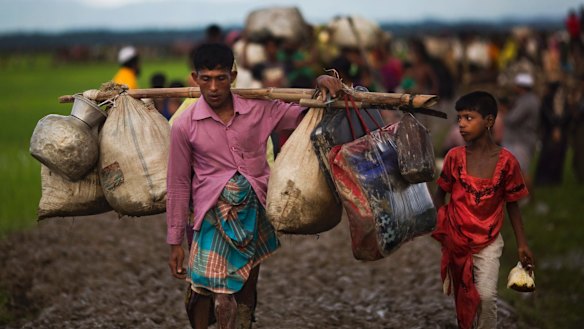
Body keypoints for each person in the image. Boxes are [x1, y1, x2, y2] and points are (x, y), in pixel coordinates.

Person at [166, 43, 342, 329]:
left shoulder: (259, 109)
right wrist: (174, 241)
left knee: (245, 285)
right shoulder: (184, 125)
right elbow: (177, 182)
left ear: (232, 76)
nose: (213, 87)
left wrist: (320, 87)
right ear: (194, 78)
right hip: (211, 214)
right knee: (209, 289)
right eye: (206, 78)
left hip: (255, 212)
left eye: (220, 78)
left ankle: (244, 321)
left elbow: (304, 115)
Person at [431, 91, 534, 329]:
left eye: (469, 118)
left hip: (488, 241)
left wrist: (522, 244)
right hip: (458, 241)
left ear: (489, 121)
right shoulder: (454, 158)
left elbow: (513, 206)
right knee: (466, 298)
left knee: (486, 296)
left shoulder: (507, 162)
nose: (462, 125)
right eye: (459, 118)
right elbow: (440, 197)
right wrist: (442, 230)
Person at [502, 72, 541, 196]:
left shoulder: (526, 102)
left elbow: (512, 119)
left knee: (521, 170)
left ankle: (530, 198)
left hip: (521, 141)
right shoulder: (531, 99)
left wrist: (504, 113)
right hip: (522, 139)